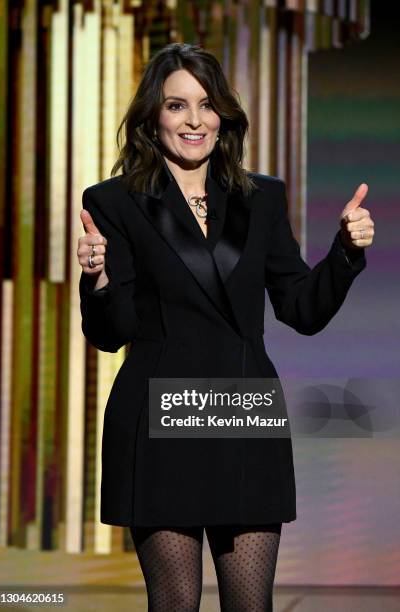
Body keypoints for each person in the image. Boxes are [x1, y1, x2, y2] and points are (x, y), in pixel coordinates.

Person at [77, 43, 374, 612]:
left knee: (250, 605)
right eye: (176, 105)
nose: (195, 120)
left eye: (207, 105)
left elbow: (301, 310)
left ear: (224, 117)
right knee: (175, 604)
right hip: (161, 413)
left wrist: (344, 253)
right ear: (152, 117)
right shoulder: (113, 202)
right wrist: (99, 279)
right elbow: (112, 333)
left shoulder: (261, 199)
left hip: (243, 412)